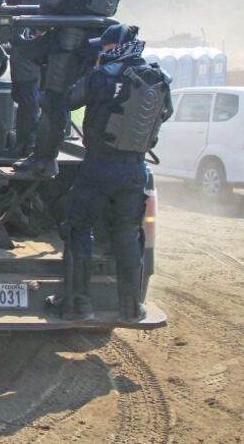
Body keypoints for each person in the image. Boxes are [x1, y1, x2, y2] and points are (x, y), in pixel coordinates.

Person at [45, 24, 172, 322]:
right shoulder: (161, 79)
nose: (99, 53)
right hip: (135, 169)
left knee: (79, 228)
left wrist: (93, 71)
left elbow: (67, 102)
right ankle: (130, 308)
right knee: (128, 231)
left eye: (102, 49)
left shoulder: (103, 76)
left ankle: (78, 304)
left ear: (113, 49)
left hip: (99, 166)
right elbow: (162, 118)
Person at [14, 0, 130, 177]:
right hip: (98, 38)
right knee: (86, 99)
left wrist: (42, 22)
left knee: (53, 98)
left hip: (68, 37)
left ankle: (43, 158)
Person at [0, 0, 59, 157]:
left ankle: (25, 145)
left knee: (26, 95)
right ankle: (49, 144)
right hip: (58, 42)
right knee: (53, 93)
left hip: (24, 42)